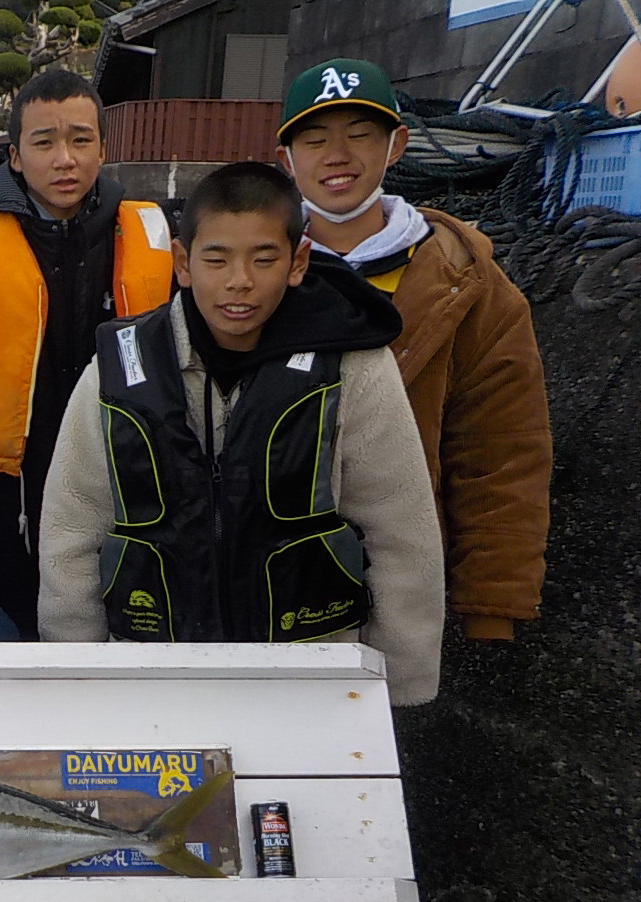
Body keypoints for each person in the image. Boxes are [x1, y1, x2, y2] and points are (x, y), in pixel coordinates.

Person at [38, 162, 445, 706]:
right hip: (148, 673)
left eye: (264, 258)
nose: (239, 281)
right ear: (182, 263)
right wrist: (77, 681)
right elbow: (72, 531)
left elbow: (401, 534)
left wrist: (398, 693)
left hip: (311, 676)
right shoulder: (117, 368)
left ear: (298, 262)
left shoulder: (354, 367)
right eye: (216, 258)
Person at [275, 58, 552, 641]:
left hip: (400, 582)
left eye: (360, 134)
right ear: (286, 159)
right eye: (315, 138)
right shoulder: (249, 272)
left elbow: (502, 453)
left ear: (397, 144)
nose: (337, 155)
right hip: (264, 577)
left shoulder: (473, 286)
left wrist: (491, 602)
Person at [0, 69, 173, 638]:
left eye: (81, 139)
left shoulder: (158, 244)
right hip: (2, 505)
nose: (65, 158)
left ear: (103, 149)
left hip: (128, 493)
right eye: (44, 142)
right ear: (15, 156)